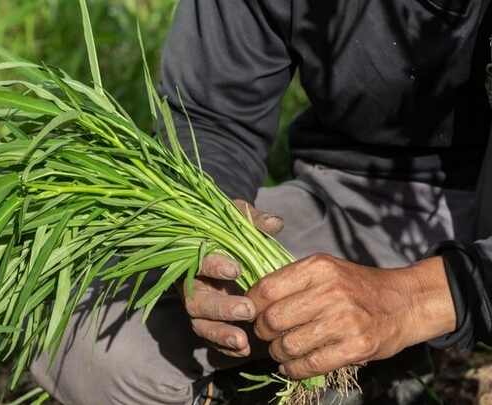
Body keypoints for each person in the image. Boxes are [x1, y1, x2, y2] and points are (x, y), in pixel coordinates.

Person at [30, 0, 492, 404]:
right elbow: (212, 117)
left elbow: (425, 296)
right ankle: (346, 379)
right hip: (364, 193)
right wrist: (205, 230)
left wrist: (415, 300)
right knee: (74, 324)